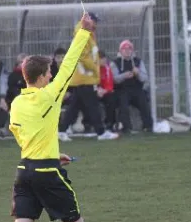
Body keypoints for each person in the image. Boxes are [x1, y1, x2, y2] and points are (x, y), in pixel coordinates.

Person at [0, 12, 127, 222]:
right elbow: (70, 64)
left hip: (24, 170)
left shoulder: (17, 102)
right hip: (46, 175)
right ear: (40, 78)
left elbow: (22, 135)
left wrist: (51, 154)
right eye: (48, 73)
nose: (52, 75)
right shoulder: (49, 95)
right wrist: (84, 31)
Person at [58, 12, 118, 142]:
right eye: (95, 21)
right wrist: (94, 69)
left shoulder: (87, 34)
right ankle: (101, 132)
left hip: (83, 76)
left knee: (75, 106)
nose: (96, 24)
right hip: (84, 76)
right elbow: (82, 55)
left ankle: (62, 130)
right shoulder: (83, 34)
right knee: (92, 105)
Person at [110, 40, 153, 133]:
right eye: (124, 49)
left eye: (129, 49)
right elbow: (114, 79)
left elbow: (144, 78)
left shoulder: (138, 62)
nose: (127, 51)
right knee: (123, 102)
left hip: (136, 89)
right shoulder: (115, 63)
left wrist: (138, 74)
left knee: (143, 101)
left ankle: (148, 126)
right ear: (120, 51)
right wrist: (124, 76)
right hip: (122, 89)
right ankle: (126, 127)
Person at [98, 50, 117, 131]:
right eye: (101, 58)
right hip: (95, 92)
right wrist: (97, 90)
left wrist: (104, 91)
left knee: (111, 99)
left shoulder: (107, 68)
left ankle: (110, 123)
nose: (104, 60)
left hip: (105, 92)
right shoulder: (93, 69)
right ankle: (88, 123)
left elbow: (109, 85)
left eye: (104, 58)